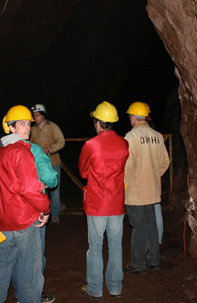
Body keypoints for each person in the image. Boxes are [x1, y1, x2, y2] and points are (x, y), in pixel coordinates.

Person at [0, 105, 51, 303]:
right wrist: (45, 208)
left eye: (28, 124)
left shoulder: (0, 152)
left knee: (1, 268)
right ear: (11, 128)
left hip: (4, 222)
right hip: (24, 221)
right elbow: (29, 188)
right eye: (21, 124)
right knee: (30, 272)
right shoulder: (21, 152)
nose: (27, 128)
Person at [78, 101, 129, 300]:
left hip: (97, 203)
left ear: (98, 122)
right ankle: (115, 287)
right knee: (116, 246)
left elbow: (83, 172)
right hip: (116, 203)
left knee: (95, 248)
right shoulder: (124, 144)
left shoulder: (91, 145)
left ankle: (95, 288)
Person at [123, 102, 170, 274]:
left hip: (136, 191)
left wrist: (123, 187)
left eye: (130, 116)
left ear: (133, 118)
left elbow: (127, 167)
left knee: (138, 227)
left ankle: (138, 264)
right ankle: (154, 260)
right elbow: (165, 161)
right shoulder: (157, 136)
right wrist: (153, 175)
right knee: (151, 226)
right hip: (152, 190)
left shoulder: (131, 137)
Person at [30, 104, 65, 223]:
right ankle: (42, 213)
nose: (35, 117)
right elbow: (30, 145)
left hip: (53, 162)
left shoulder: (52, 127)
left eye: (37, 115)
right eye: (34, 115)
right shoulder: (32, 129)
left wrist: (49, 149)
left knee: (54, 190)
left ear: (43, 115)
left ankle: (55, 215)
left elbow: (61, 142)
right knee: (40, 190)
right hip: (39, 165)